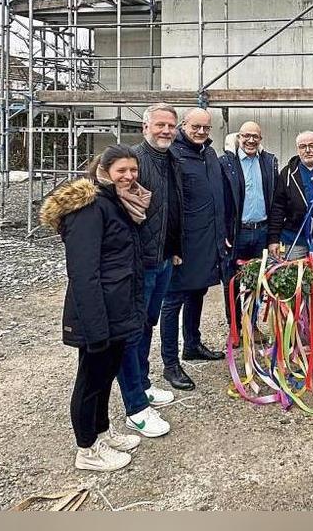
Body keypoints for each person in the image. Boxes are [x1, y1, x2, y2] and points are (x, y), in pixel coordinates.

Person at [40, 144, 148, 472]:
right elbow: (84, 272)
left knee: (105, 376)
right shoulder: (89, 207)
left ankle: (102, 431)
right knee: (90, 381)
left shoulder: (116, 202)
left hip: (117, 308)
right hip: (97, 312)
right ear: (104, 170)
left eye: (133, 170)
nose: (129, 177)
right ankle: (87, 449)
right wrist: (95, 326)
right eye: (122, 171)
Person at [112, 104, 183, 440]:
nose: (166, 130)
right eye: (160, 125)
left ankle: (142, 384)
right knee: (131, 333)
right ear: (145, 127)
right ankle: (136, 408)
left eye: (171, 125)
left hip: (164, 259)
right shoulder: (132, 163)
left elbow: (173, 208)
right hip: (139, 265)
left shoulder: (171, 160)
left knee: (146, 327)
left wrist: (176, 249)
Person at [161, 108, 234, 392]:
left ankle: (192, 344)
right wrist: (172, 244)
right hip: (184, 244)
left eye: (206, 127)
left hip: (208, 240)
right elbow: (168, 204)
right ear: (183, 126)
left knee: (198, 291)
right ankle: (170, 363)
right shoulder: (174, 156)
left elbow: (220, 196)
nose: (202, 132)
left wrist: (223, 233)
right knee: (173, 300)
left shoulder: (209, 154)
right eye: (196, 127)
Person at [220, 121, 279, 339]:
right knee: (232, 282)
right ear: (238, 138)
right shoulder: (226, 163)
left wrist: (273, 235)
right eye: (246, 136)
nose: (251, 140)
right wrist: (222, 232)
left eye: (255, 136)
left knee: (257, 283)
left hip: (261, 231)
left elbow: (275, 201)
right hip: (237, 233)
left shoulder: (269, 162)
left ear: (260, 139)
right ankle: (234, 328)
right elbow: (220, 202)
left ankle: (251, 324)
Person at [268, 131, 313, 261]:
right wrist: (274, 239)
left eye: (312, 145)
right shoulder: (287, 173)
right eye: (302, 146)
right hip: (295, 238)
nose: (307, 150)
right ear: (297, 149)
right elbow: (278, 208)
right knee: (296, 277)